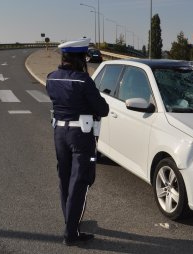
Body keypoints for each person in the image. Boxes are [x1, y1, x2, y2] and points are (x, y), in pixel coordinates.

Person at [46, 38, 109, 246]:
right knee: (80, 181)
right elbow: (102, 109)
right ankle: (71, 233)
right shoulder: (83, 81)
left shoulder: (52, 78)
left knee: (64, 179)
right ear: (79, 58)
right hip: (80, 137)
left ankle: (69, 223)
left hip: (59, 134)